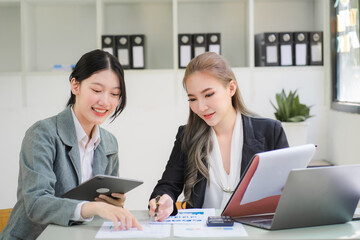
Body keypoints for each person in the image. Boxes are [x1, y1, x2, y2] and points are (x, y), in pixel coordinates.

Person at [0, 49, 142, 240]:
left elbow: (102, 210)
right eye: (97, 90)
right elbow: (37, 204)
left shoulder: (109, 143)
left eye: (115, 93)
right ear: (75, 86)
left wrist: (113, 204)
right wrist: (94, 207)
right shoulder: (42, 134)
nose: (105, 101)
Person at [148, 52, 289, 221]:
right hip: (203, 233)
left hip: (253, 231)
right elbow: (167, 185)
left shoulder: (270, 131)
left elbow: (288, 191)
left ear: (231, 88)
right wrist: (163, 200)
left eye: (208, 95)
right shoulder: (187, 136)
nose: (200, 107)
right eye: (192, 99)